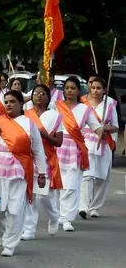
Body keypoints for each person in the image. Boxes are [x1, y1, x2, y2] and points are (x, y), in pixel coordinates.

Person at [0, 90, 47, 257]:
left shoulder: (29, 124)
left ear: (21, 104)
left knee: (15, 210)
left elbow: (38, 151)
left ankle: (10, 244)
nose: (8, 104)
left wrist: (42, 173)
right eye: (6, 101)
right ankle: (3, 231)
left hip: (19, 172)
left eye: (12, 101)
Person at [54, 77, 102, 231]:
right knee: (58, 184)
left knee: (72, 185)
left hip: (76, 149)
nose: (69, 91)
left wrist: (102, 132)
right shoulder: (56, 107)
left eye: (73, 88)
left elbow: (96, 127)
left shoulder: (85, 109)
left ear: (78, 90)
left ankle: (67, 218)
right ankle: (57, 215)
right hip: (58, 147)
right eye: (67, 88)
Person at [22, 85, 64, 240]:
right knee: (29, 196)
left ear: (48, 97)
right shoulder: (25, 115)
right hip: (28, 159)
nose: (38, 96)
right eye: (35, 93)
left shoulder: (54, 116)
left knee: (42, 197)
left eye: (42, 93)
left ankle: (54, 216)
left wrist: (43, 136)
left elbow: (59, 142)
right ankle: (29, 230)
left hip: (46, 159)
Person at [79, 77, 118, 218]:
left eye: (99, 88)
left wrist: (105, 127)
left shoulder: (110, 105)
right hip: (86, 142)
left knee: (101, 177)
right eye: (93, 87)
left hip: (104, 143)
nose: (95, 90)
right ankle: (83, 205)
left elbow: (115, 127)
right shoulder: (82, 102)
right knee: (87, 175)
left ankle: (95, 206)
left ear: (104, 90)